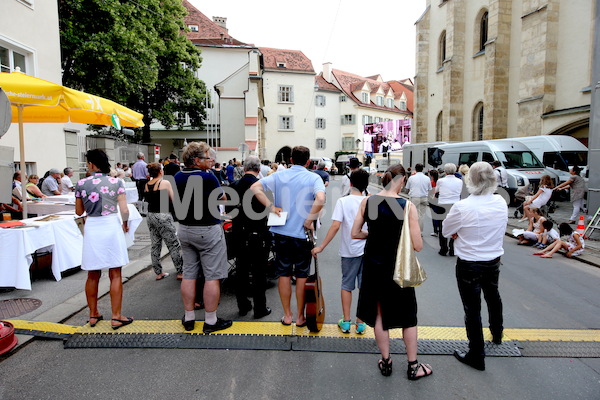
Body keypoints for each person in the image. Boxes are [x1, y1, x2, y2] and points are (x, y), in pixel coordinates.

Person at [351, 164, 432, 380]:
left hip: (373, 264)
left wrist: (374, 236)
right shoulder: (406, 206)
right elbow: (417, 245)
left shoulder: (368, 201)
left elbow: (355, 232)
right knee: (407, 315)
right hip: (398, 266)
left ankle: (386, 361)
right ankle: (413, 365)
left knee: (379, 314)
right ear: (402, 181)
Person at [251, 146, 326, 327]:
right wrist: (309, 219)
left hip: (281, 231)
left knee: (283, 274)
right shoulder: (314, 177)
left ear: (291, 160)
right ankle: (300, 317)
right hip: (302, 234)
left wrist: (271, 207)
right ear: (308, 162)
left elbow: (255, 187)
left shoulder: (278, 175)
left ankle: (287, 315)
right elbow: (321, 199)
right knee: (301, 275)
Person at [442, 161, 507, 371]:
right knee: (493, 296)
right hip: (493, 259)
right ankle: (497, 333)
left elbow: (446, 230)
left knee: (472, 309)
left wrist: (457, 232)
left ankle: (476, 354)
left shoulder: (463, 206)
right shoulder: (500, 202)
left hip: (469, 261)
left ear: (470, 180)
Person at [174, 141, 232, 333]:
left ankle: (189, 317)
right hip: (207, 229)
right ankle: (210, 320)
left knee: (189, 273)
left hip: (185, 229)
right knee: (212, 276)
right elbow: (222, 198)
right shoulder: (209, 178)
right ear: (197, 160)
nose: (211, 160)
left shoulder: (177, 176)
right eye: (207, 157)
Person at [75, 149, 133, 330]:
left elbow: (78, 212)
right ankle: (116, 316)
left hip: (92, 226)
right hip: (110, 225)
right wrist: (125, 223)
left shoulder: (81, 183)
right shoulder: (117, 182)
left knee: (93, 274)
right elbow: (124, 210)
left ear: (92, 164)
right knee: (115, 272)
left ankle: (93, 314)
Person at [312, 169, 369, 334]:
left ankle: (346, 322)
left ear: (350, 183)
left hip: (349, 250)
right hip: (367, 250)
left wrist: (321, 246)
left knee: (347, 285)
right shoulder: (370, 200)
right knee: (364, 287)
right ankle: (360, 323)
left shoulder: (343, 202)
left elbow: (336, 226)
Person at [226, 156, 272, 319]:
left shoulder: (233, 186)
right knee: (259, 273)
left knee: (241, 271)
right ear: (259, 169)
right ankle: (260, 308)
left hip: (239, 233)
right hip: (258, 234)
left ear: (244, 168)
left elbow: (229, 212)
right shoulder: (263, 186)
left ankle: (243, 305)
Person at [143, 162, 184, 281]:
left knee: (155, 244)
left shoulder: (146, 184)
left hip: (150, 215)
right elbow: (174, 199)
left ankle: (158, 272)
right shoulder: (165, 182)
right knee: (173, 244)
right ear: (160, 171)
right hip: (163, 215)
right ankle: (180, 271)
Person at [436, 163, 463, 256]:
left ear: (445, 171)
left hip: (443, 205)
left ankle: (443, 248)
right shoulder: (459, 181)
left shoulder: (441, 181)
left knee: (442, 226)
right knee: (455, 226)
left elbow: (436, 191)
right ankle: (452, 248)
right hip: (455, 205)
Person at [405, 163, 432, 232]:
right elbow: (429, 188)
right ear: (422, 169)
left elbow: (407, 188)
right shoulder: (427, 178)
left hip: (414, 197)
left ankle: (412, 230)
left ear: (415, 169)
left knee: (412, 214)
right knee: (421, 215)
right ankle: (419, 231)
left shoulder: (411, 178)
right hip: (424, 197)